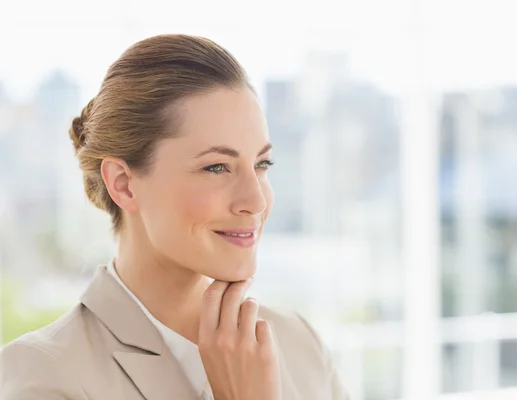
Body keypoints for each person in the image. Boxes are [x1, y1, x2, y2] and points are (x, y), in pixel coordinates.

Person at [0, 34, 350, 400]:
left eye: (262, 164)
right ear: (123, 184)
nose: (257, 200)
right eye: (216, 167)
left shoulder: (299, 346)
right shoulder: (40, 374)